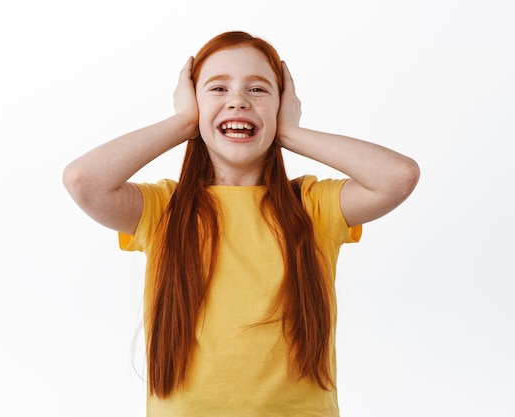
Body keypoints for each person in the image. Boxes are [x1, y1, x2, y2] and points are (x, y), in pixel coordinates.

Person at [63, 31, 419, 417]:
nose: (238, 100)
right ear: (194, 103)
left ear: (282, 105)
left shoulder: (313, 206)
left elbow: (398, 176)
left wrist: (291, 134)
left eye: (259, 90)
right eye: (217, 88)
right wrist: (184, 122)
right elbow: (83, 180)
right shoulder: (163, 209)